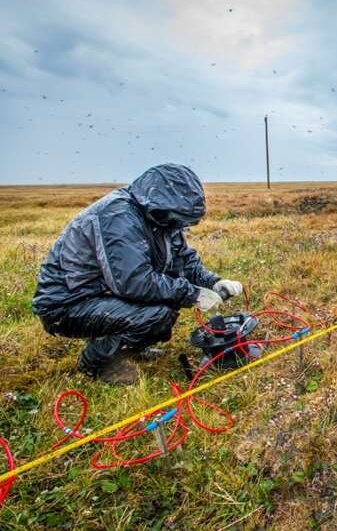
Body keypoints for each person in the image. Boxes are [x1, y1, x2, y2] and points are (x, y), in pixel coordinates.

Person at [32, 163, 243, 385]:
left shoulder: (160, 221)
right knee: (156, 315)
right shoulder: (117, 217)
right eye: (175, 217)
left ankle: (127, 347)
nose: (177, 224)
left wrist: (214, 282)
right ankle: (97, 362)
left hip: (103, 294)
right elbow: (135, 282)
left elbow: (183, 260)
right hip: (66, 304)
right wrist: (192, 294)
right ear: (158, 203)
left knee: (164, 307)